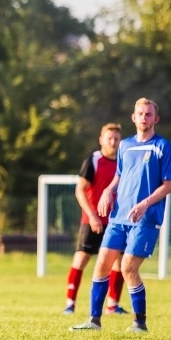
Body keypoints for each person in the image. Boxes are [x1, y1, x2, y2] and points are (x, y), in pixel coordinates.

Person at [70, 98, 171, 333]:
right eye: (140, 113)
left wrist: (145, 204)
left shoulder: (163, 147)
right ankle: (94, 321)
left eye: (149, 114)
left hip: (145, 219)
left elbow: (168, 185)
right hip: (118, 217)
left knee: (128, 267)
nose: (144, 118)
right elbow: (120, 175)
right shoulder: (125, 146)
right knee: (102, 265)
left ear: (156, 119)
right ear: (133, 117)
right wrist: (108, 190)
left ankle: (139, 323)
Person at [64, 123, 129, 315]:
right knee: (81, 258)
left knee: (119, 262)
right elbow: (80, 190)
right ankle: (70, 304)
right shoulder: (93, 160)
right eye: (109, 138)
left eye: (116, 139)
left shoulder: (124, 162)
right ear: (101, 140)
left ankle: (112, 305)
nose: (113, 142)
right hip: (92, 221)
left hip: (116, 221)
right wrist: (92, 216)